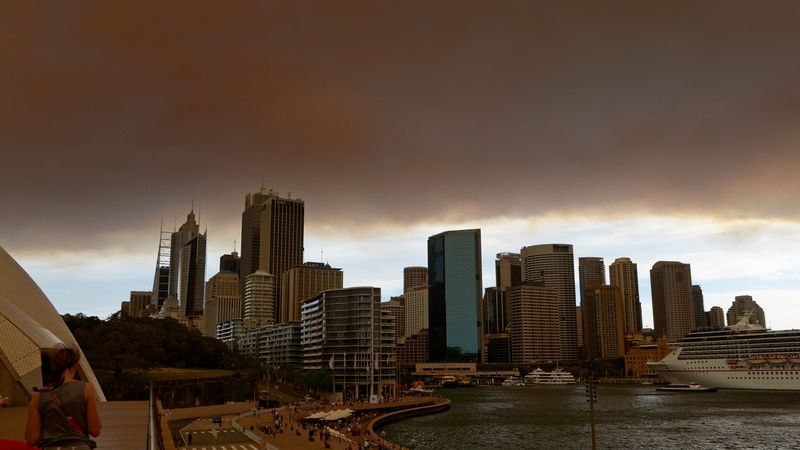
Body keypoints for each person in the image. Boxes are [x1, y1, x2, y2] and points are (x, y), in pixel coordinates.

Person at [25, 343, 102, 449]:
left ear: (53, 365)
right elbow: (95, 430)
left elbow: (31, 439)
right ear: (75, 365)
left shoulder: (38, 395)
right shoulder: (87, 389)